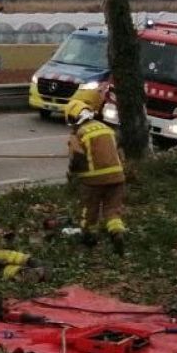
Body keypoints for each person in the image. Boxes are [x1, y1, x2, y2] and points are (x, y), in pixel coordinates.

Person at [64, 98, 127, 253]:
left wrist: (72, 175)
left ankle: (89, 238)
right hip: (117, 178)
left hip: (93, 181)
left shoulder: (78, 134)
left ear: (74, 118)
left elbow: (77, 158)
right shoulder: (107, 129)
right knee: (113, 210)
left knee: (90, 210)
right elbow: (120, 154)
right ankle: (117, 233)